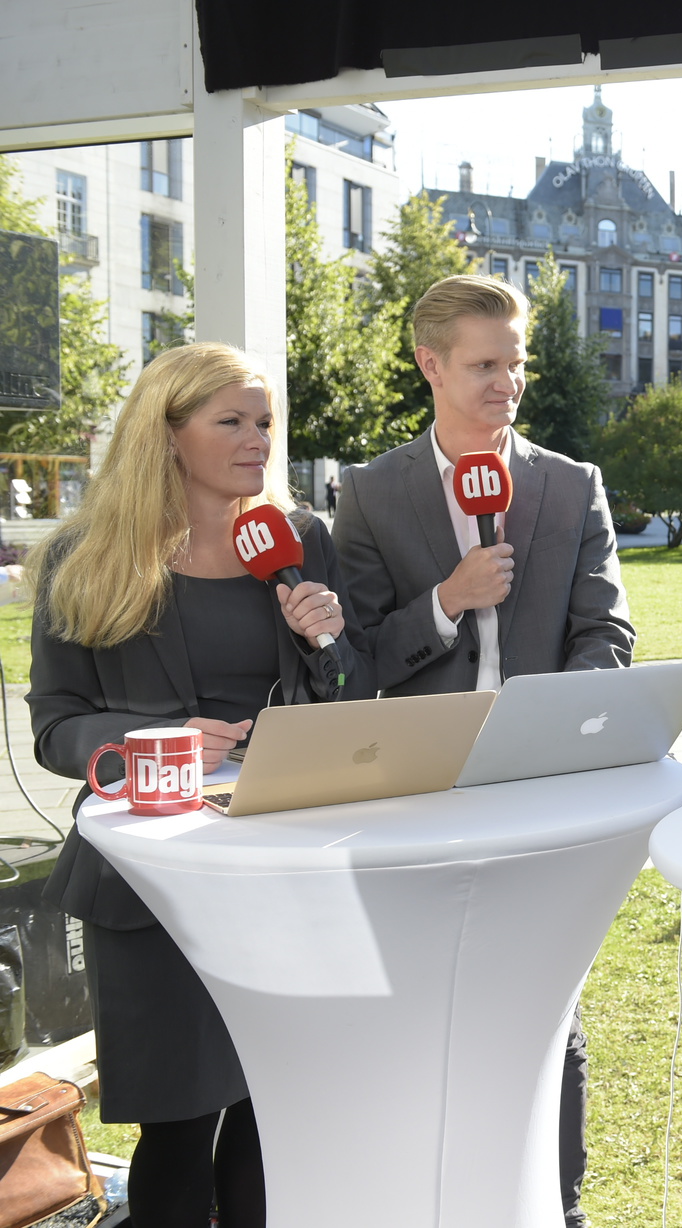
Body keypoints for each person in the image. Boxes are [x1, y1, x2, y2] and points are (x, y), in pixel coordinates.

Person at [28, 342, 368, 1228]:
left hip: (284, 869)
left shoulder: (302, 545)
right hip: (154, 883)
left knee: (273, 1123)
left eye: (264, 423)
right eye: (233, 421)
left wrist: (326, 639)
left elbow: (350, 703)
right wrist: (153, 740)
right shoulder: (86, 556)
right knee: (179, 1138)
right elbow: (56, 728)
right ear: (168, 433)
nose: (258, 439)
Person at [332, 274, 634, 1228]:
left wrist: (550, 730)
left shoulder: (571, 483)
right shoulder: (373, 495)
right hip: (420, 798)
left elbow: (607, 634)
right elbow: (356, 660)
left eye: (516, 361)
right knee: (431, 1016)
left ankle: (562, 1207)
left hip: (541, 792)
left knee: (550, 1009)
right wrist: (447, 600)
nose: (508, 381)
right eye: (485, 364)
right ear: (430, 365)